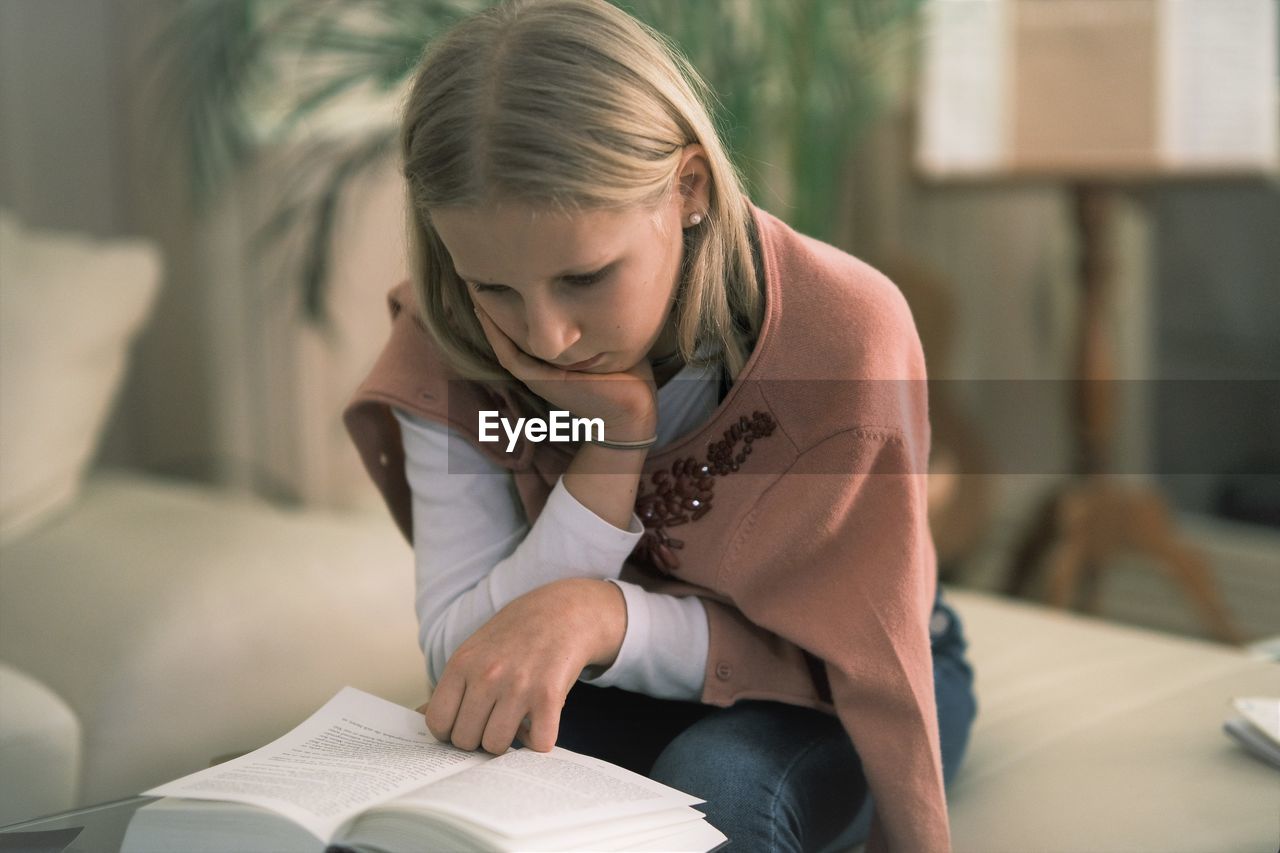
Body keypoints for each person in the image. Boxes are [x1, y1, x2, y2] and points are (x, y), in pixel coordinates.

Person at [343, 1, 977, 850]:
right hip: (611, 676)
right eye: (494, 287)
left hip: (832, 671)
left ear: (688, 188)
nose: (546, 336)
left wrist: (602, 614)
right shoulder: (446, 339)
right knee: (427, 811)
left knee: (718, 793)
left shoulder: (846, 334)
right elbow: (467, 648)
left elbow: (863, 656)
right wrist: (610, 448)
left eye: (585, 276)